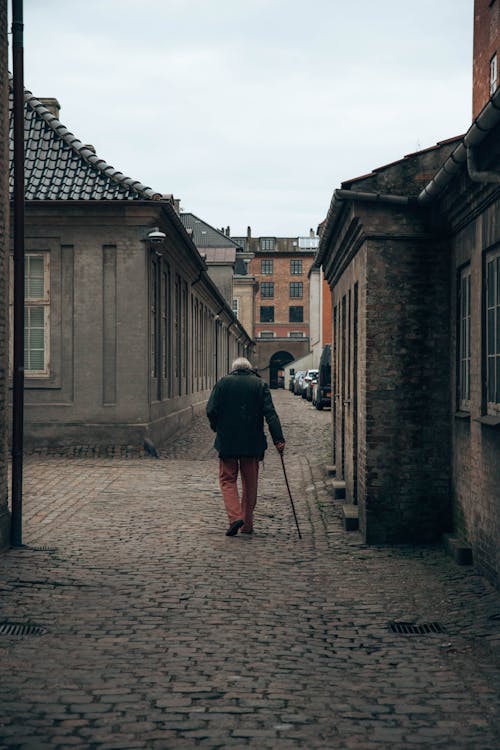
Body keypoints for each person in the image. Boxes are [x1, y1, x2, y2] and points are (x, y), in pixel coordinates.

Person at [206, 357, 285, 536]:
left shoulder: (222, 383)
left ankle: (235, 518)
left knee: (227, 480)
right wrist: (278, 439)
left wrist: (217, 427)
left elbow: (211, 410)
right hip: (252, 442)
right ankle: (247, 524)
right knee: (250, 484)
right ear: (249, 369)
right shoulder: (259, 385)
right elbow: (270, 413)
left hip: (228, 441)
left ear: (234, 369)